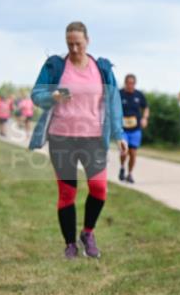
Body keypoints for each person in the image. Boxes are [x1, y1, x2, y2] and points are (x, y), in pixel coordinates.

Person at [29, 21, 126, 259]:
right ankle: (70, 244)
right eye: (69, 44)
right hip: (62, 137)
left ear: (87, 41)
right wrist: (54, 95)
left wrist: (119, 134)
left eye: (78, 44)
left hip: (93, 138)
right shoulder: (55, 66)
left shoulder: (101, 68)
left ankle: (88, 233)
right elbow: (36, 94)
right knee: (67, 193)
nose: (74, 49)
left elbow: (113, 103)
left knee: (99, 188)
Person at [119, 74, 149, 184]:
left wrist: (145, 118)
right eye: (128, 83)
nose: (130, 85)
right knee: (124, 150)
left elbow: (145, 108)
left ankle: (130, 174)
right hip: (122, 129)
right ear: (125, 83)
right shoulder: (119, 94)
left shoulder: (139, 95)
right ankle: (122, 167)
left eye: (132, 83)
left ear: (135, 84)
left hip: (135, 129)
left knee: (133, 153)